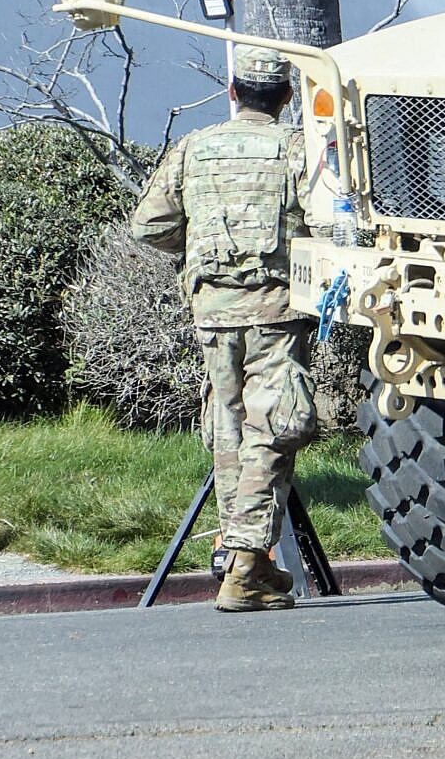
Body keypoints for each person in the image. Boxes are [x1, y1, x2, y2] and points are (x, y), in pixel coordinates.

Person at [131, 44, 317, 612]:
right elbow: (331, 223)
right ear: (287, 96)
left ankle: (246, 563)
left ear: (233, 92)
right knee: (272, 428)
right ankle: (244, 563)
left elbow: (149, 225)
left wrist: (200, 249)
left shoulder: (194, 146)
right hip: (276, 309)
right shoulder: (298, 148)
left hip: (213, 311)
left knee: (229, 429)